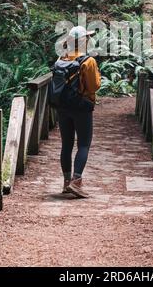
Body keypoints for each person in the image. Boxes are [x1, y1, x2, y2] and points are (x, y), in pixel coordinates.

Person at [57, 26, 101, 198]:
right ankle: (76, 182)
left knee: (66, 144)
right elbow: (94, 86)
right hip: (82, 107)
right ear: (83, 41)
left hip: (63, 107)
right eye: (87, 38)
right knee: (83, 144)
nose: (89, 40)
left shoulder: (62, 58)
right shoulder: (88, 61)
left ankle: (66, 182)